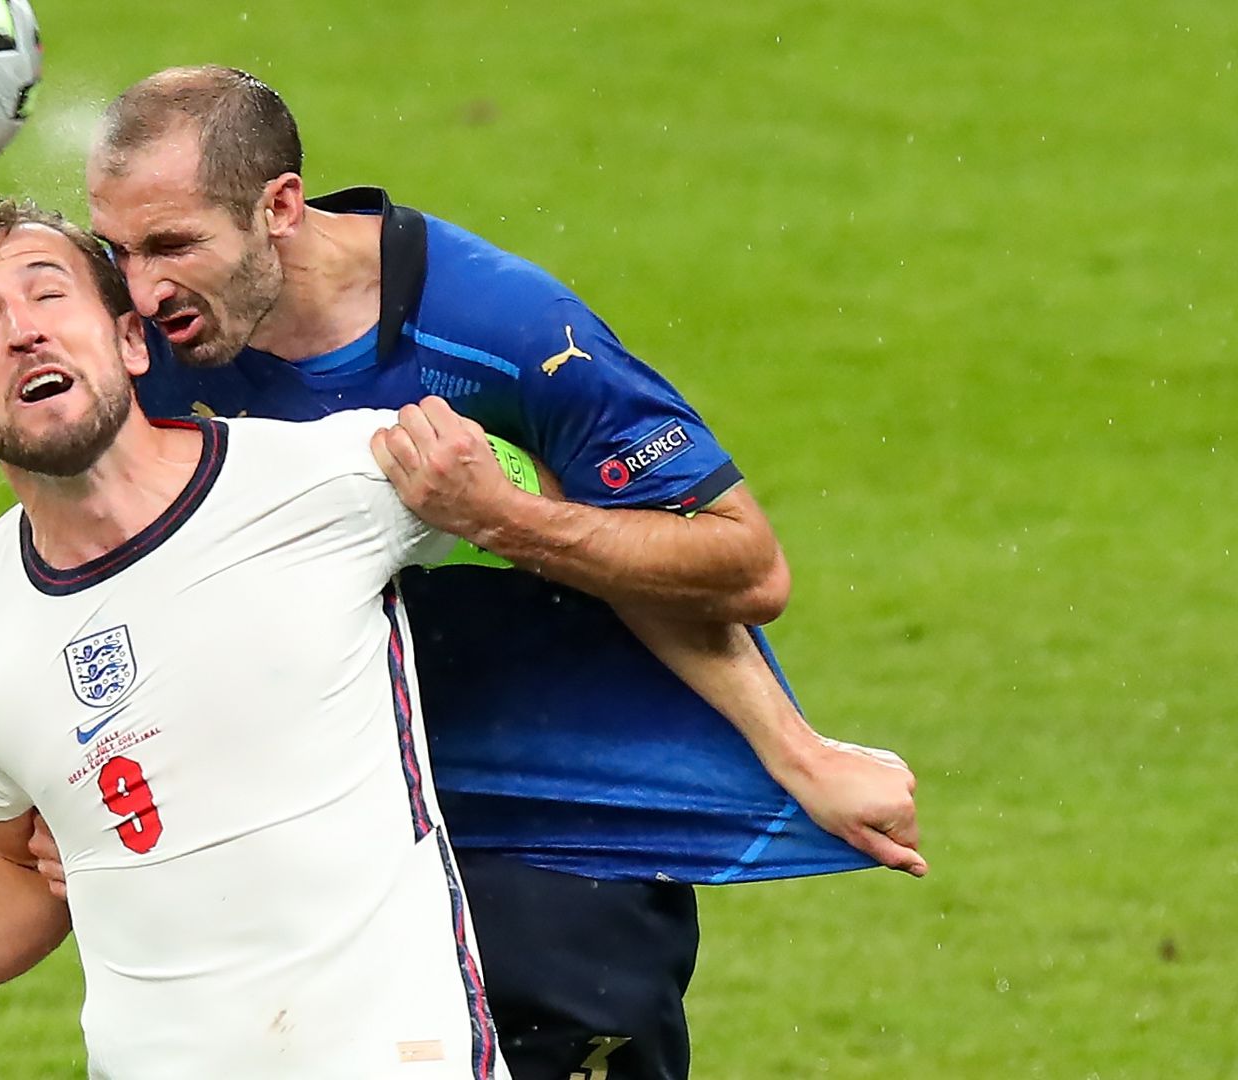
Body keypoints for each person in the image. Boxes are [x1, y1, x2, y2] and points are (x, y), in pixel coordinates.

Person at [71, 65, 926, 1080]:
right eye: (118, 250)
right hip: (333, 826)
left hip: (560, 827)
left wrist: (503, 519)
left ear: (281, 209)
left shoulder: (503, 328)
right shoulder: (145, 343)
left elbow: (738, 562)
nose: (140, 288)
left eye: (172, 246)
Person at [0, 197, 517, 1078]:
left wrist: (510, 494)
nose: (23, 332)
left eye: (49, 295)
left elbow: (557, 517)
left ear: (133, 342)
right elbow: (29, 863)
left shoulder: (338, 480)